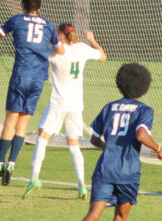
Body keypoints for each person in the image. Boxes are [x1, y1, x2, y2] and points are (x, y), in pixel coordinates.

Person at [71, 63, 162, 221]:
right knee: (121, 215)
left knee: (94, 212)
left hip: (105, 167)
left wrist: (109, 147)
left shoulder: (109, 107)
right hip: (128, 172)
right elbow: (141, 136)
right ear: (144, 87)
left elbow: (94, 138)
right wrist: (159, 149)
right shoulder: (144, 110)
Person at [0, 0, 64, 186]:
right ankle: (11, 164)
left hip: (20, 75)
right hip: (38, 79)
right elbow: (60, 51)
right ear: (39, 9)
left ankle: (0, 163)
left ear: (23, 7)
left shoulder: (17, 20)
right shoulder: (48, 24)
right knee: (23, 124)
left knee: (10, 120)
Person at [23, 24, 106, 200]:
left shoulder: (54, 53)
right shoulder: (82, 48)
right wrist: (92, 40)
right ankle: (82, 186)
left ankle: (34, 179)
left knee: (42, 138)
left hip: (58, 103)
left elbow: (36, 58)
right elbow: (103, 57)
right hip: (76, 104)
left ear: (60, 36)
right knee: (74, 145)